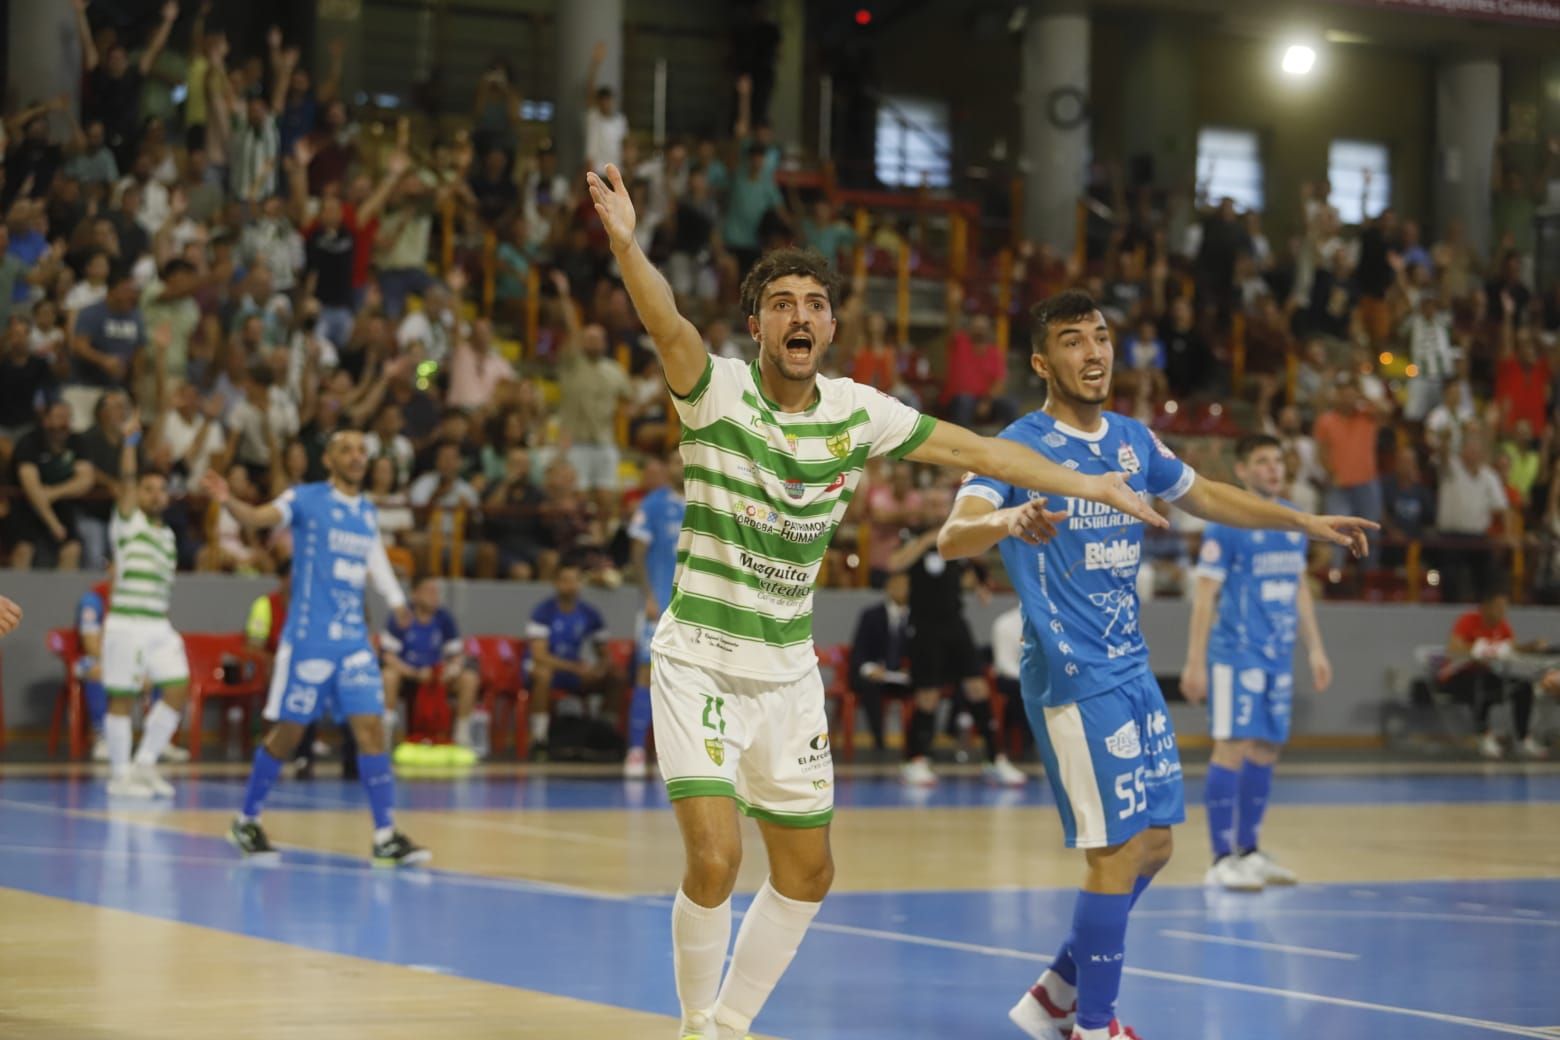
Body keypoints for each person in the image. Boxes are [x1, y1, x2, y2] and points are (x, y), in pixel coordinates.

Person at [585, 164, 1164, 1040]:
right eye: (782, 302)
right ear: (757, 325)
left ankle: (729, 1022)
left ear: (830, 324)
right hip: (699, 656)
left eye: (814, 303)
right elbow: (665, 318)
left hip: (786, 671)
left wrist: (1097, 482)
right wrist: (629, 245)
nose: (800, 315)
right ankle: (696, 1026)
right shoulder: (717, 392)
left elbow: (989, 454)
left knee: (809, 873)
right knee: (716, 858)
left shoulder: (858, 412)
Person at [936, 290, 1373, 1040]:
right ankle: (1094, 1025)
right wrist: (1012, 518)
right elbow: (953, 535)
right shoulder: (1018, 444)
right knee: (1113, 852)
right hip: (1074, 679)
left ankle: (1058, 993)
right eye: (1073, 341)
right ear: (1043, 362)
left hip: (1132, 671)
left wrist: (1302, 519)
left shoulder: (1134, 441)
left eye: (1101, 336)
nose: (1094, 352)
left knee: (1159, 843)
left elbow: (1208, 495)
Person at [203, 431, 430, 867]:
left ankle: (386, 834)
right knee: (289, 734)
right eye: (346, 449)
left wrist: (398, 602)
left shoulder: (366, 511)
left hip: (354, 642)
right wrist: (229, 501)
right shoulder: (305, 498)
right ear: (328, 459)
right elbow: (258, 517)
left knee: (372, 730)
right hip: (309, 640)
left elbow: (375, 558)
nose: (356, 456)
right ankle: (247, 819)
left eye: (362, 450)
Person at [1179, 434, 1333, 891]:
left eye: (1278, 461)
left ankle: (1249, 850)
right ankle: (1220, 857)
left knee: (1266, 749)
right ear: (1242, 471)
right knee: (1232, 746)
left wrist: (1315, 648)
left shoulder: (1290, 519)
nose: (1273, 469)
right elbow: (1205, 594)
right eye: (1261, 461)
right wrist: (1195, 662)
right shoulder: (1226, 521)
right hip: (1235, 655)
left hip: (1276, 657)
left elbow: (1299, 586)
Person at [889, 488, 1025, 786]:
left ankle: (994, 759)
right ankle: (915, 760)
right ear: (923, 507)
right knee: (927, 696)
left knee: (978, 688)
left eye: (941, 503)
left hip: (955, 623)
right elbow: (894, 564)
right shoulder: (911, 535)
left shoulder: (958, 533)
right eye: (932, 503)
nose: (938, 508)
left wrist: (979, 585)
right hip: (924, 627)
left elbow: (971, 565)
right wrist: (927, 540)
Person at [101, 415, 190, 798]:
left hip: (158, 624)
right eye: (147, 489)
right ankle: (120, 775)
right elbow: (125, 482)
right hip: (125, 622)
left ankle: (145, 764)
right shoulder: (127, 523)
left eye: (160, 490)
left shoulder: (168, 536)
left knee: (177, 688)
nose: (154, 495)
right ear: (138, 494)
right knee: (120, 696)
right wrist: (130, 444)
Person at [626, 451, 687, 778]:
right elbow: (637, 553)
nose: (681, 466)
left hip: (694, 607)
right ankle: (636, 750)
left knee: (689, 680)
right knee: (646, 672)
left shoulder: (705, 502)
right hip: (659, 603)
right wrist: (648, 596)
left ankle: (679, 755)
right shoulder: (652, 504)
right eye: (675, 462)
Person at [1439, 585, 1550, 760]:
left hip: (1486, 674)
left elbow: (1512, 649)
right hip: (1457, 677)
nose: (1503, 611)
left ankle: (1523, 739)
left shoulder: (1502, 626)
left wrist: (1531, 646)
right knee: (1480, 685)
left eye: (1505, 607)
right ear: (1486, 606)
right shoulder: (1468, 621)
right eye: (1498, 607)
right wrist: (1479, 650)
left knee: (1523, 687)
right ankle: (1484, 736)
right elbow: (1454, 648)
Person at [380, 577, 483, 754]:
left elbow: (456, 655)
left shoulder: (444, 618)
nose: (435, 596)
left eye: (437, 591)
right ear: (415, 594)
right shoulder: (401, 616)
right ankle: (384, 736)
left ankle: (462, 736)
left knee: (469, 678)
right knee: (388, 676)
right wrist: (413, 673)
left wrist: (450, 671)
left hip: (437, 677)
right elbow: (388, 656)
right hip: (408, 676)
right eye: (429, 591)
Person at [525, 562, 616, 757]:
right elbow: (539, 655)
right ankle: (539, 738)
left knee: (617, 675)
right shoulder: (543, 611)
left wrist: (600, 667)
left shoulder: (589, 613)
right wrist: (573, 667)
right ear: (556, 583)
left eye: (575, 580)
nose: (571, 585)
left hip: (573, 671)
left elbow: (604, 651)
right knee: (543, 675)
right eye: (565, 580)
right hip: (548, 669)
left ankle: (606, 734)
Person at [848, 571, 913, 755]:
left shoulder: (919, 617)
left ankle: (918, 746)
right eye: (898, 585)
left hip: (903, 676)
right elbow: (859, 651)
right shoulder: (871, 615)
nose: (902, 590)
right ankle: (879, 741)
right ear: (888, 588)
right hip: (876, 675)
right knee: (870, 687)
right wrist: (871, 669)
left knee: (927, 684)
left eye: (906, 585)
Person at [76, 576, 112, 760]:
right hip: (89, 661)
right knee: (96, 670)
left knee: (160, 672)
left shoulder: (136, 601)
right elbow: (91, 645)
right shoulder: (93, 600)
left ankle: (159, 740)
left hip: (127, 660)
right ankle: (101, 735)